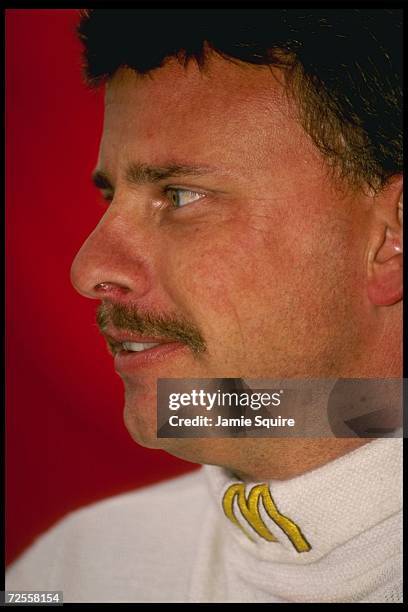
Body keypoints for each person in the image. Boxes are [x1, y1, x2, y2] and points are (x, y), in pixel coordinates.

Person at [6, 8, 402, 603]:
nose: (89, 270)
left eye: (180, 195)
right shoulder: (70, 572)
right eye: (111, 196)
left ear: (389, 238)